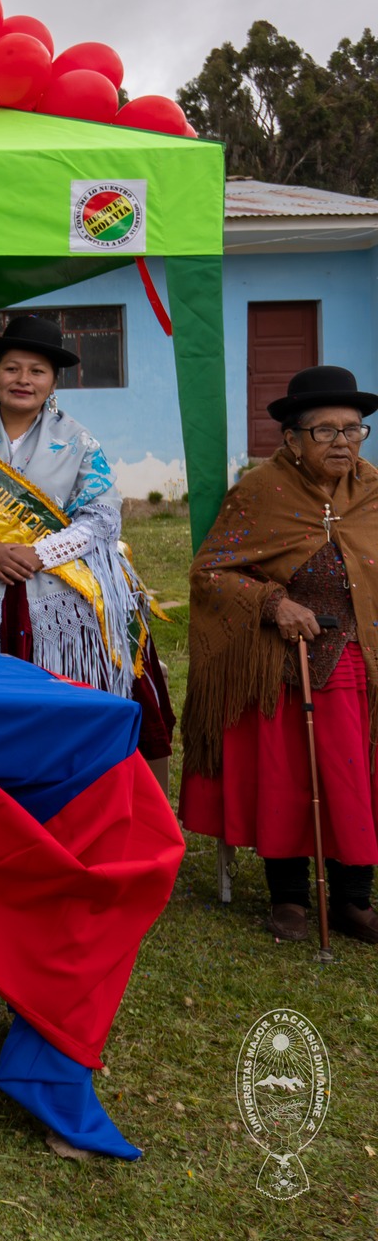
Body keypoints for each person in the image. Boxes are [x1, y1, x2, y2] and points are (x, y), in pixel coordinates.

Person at [0, 314, 174, 772]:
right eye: (12, 368)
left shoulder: (79, 444)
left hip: (54, 593)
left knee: (54, 714)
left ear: (54, 381)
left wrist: (40, 553)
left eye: (37, 371)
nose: (23, 380)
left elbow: (102, 516)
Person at [179, 365, 378, 945]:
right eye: (326, 431)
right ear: (291, 438)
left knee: (352, 776)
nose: (343, 442)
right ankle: (288, 896)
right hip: (282, 661)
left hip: (356, 659)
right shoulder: (260, 491)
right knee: (287, 776)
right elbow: (210, 573)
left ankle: (353, 899)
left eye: (354, 429)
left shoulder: (372, 491)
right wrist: (273, 603)